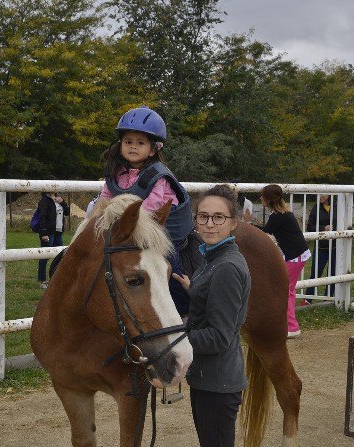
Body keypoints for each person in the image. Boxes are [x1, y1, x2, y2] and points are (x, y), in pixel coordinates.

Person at [172, 184, 251, 447]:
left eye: (219, 217)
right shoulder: (212, 256)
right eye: (203, 217)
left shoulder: (226, 266)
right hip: (210, 378)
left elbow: (217, 337)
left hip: (217, 383)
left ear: (233, 223)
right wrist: (193, 287)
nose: (209, 224)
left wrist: (175, 339)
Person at [100, 105, 194, 315]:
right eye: (128, 142)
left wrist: (123, 219)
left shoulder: (158, 176)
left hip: (165, 231)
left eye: (140, 143)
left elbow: (152, 207)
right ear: (120, 144)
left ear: (152, 149)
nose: (133, 147)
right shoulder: (116, 174)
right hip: (135, 230)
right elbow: (104, 199)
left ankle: (182, 307)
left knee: (170, 262)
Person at [256, 184, 310, 338]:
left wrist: (246, 223)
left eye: (262, 196)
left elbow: (264, 232)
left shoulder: (277, 217)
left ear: (268, 199)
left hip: (295, 257)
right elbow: (267, 230)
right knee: (288, 290)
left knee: (284, 290)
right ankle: (288, 325)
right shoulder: (283, 214)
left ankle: (292, 327)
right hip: (298, 255)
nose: (260, 199)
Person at [304, 194, 337, 298]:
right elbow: (310, 227)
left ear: (329, 195)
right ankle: (308, 298)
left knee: (333, 274)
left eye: (323, 194)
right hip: (321, 247)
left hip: (336, 247)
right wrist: (323, 228)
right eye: (319, 195)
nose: (320, 197)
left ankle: (328, 297)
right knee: (315, 273)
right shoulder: (316, 208)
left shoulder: (337, 207)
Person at [37, 185, 70, 289]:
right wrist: (44, 233)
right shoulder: (44, 200)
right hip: (48, 232)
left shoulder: (59, 198)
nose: (55, 187)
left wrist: (62, 202)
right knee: (44, 257)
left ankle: (57, 279)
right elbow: (42, 217)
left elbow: (67, 212)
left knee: (60, 256)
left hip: (58, 232)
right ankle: (42, 281)